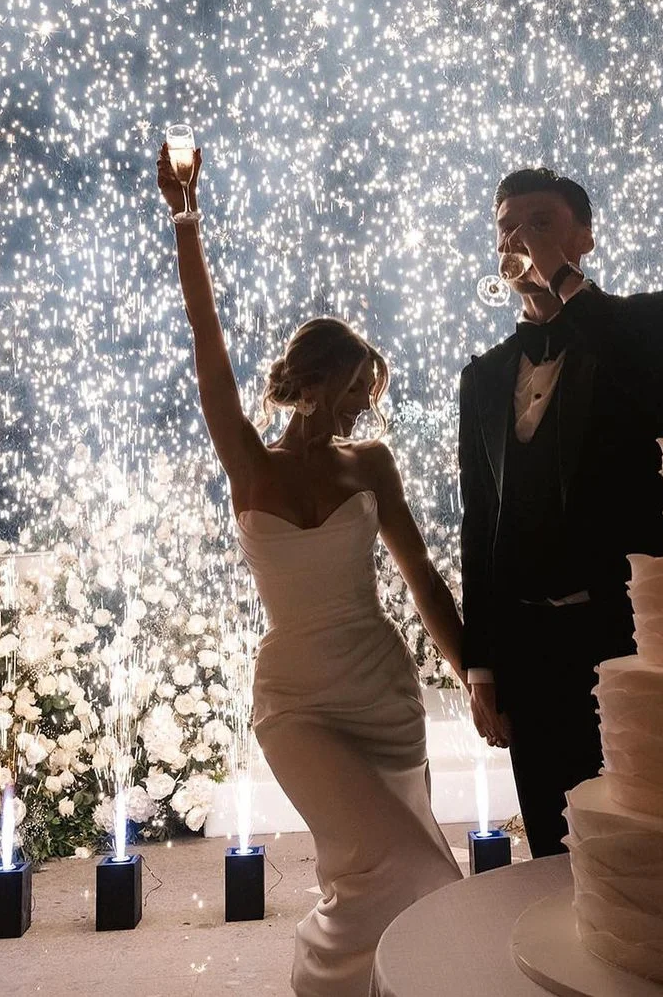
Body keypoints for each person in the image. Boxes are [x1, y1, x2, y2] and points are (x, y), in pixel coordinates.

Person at [157, 143, 462, 997]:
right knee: (402, 869)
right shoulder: (247, 462)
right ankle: (324, 985)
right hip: (295, 701)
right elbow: (207, 350)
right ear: (322, 377)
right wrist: (186, 221)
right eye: (360, 383)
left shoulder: (372, 465)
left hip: (382, 692)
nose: (368, 400)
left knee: (401, 872)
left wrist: (475, 670)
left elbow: (424, 579)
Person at [459, 167, 663, 858]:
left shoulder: (652, 322)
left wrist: (565, 283)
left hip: (628, 636)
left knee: (645, 839)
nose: (519, 237)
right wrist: (480, 665)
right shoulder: (483, 376)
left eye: (540, 221)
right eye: (507, 225)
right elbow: (478, 522)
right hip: (528, 650)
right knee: (552, 844)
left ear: (586, 237)